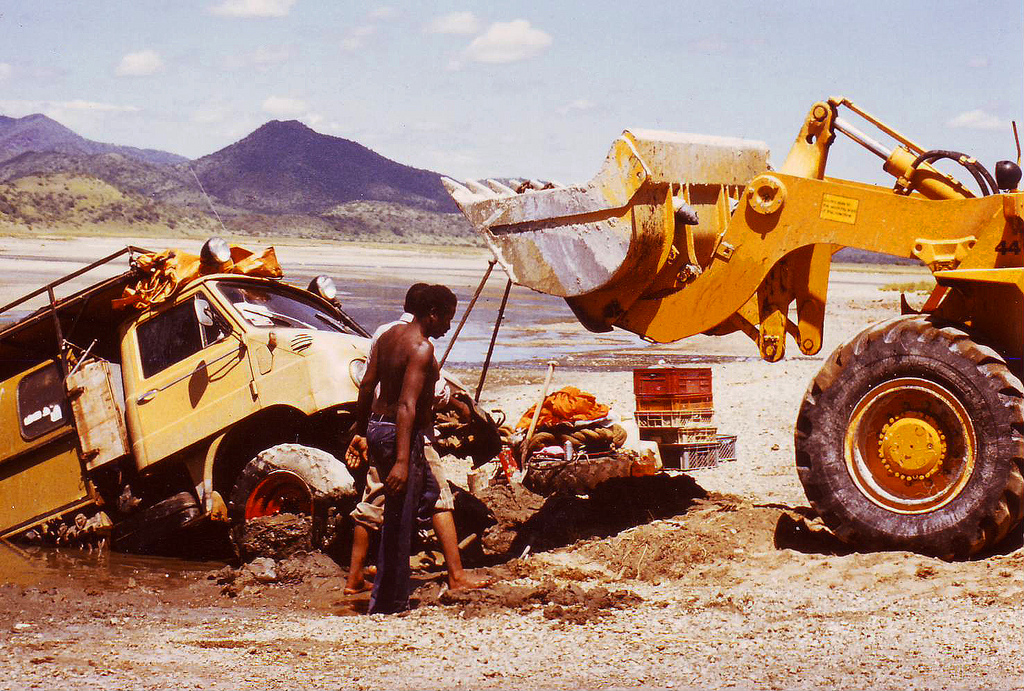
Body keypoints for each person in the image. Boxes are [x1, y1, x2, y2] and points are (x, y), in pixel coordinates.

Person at [352, 284, 486, 614]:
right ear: (432, 314)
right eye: (448, 319)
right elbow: (407, 406)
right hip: (400, 434)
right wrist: (401, 460)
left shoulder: (387, 336)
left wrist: (360, 430)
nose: (449, 327)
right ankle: (389, 604)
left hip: (377, 426)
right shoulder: (421, 348)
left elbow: (367, 385)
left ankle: (397, 592)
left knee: (428, 495)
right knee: (398, 519)